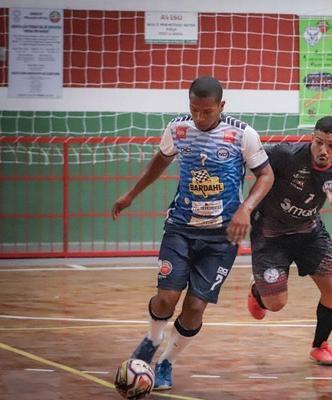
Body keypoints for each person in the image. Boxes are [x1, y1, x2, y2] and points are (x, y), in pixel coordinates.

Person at [111, 76, 274, 390]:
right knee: (166, 298)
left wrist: (246, 209)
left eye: (207, 112)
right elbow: (160, 160)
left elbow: (265, 175)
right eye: (194, 110)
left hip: (222, 236)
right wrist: (131, 194)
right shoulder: (178, 129)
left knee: (195, 307)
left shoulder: (242, 134)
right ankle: (151, 339)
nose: (199, 117)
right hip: (180, 228)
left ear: (221, 106)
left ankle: (167, 362)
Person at [246, 116, 332, 366]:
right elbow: (254, 163)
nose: (323, 150)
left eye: (331, 145)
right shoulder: (285, 155)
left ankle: (320, 346)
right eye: (318, 142)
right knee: (275, 304)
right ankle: (258, 289)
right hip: (270, 234)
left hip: (309, 233)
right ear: (312, 138)